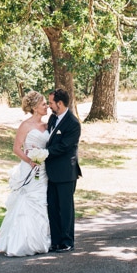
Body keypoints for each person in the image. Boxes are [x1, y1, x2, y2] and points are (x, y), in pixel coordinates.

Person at [0, 90, 51, 256]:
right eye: (43, 104)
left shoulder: (48, 125)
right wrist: (30, 160)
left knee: (41, 201)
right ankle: (21, 242)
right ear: (35, 107)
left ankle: (40, 240)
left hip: (43, 170)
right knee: (28, 200)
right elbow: (16, 148)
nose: (47, 106)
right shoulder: (25, 125)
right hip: (29, 167)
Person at [44, 88, 82, 253]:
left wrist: (44, 153)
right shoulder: (53, 118)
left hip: (66, 172)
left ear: (59, 103)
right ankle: (56, 240)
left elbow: (64, 146)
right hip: (51, 171)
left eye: (51, 102)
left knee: (65, 208)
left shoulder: (73, 123)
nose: (49, 105)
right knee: (52, 206)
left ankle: (67, 241)